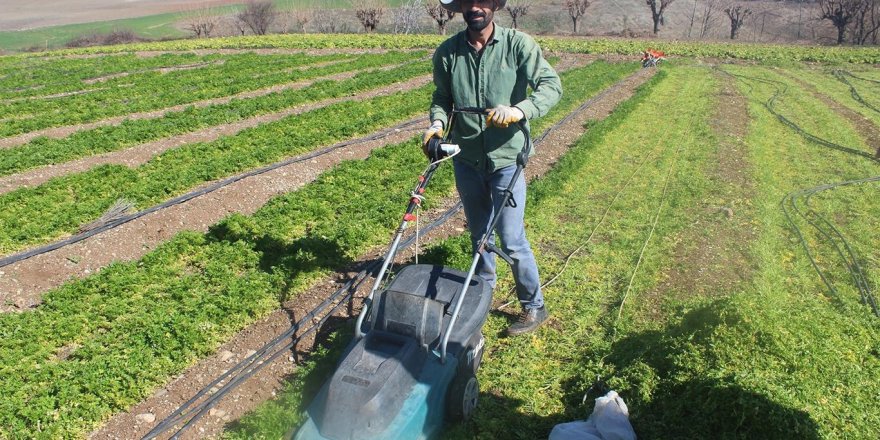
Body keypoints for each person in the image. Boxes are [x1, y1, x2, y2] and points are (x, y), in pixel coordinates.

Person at [423, 0, 562, 336]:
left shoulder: (518, 45)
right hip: (467, 159)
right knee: (479, 234)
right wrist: (436, 125)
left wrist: (520, 110)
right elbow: (442, 97)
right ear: (459, 10)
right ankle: (481, 297)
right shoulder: (447, 52)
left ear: (493, 7)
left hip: (506, 159)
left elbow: (551, 86)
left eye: (481, 1)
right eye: (466, 3)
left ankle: (533, 306)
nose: (474, 8)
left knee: (511, 239)